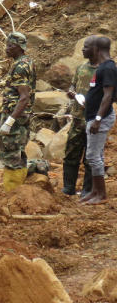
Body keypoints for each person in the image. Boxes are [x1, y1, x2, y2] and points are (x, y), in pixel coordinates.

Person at [0, 32, 35, 191]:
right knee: (18, 153)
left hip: (15, 115)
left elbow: (24, 97)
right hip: (20, 115)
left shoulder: (20, 66)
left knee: (10, 154)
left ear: (19, 47)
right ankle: (19, 189)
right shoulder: (25, 62)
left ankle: (13, 191)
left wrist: (9, 121)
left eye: (10, 46)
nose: (7, 49)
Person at [82, 35, 115, 205]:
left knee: (94, 156)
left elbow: (108, 95)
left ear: (96, 49)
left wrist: (98, 119)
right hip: (94, 116)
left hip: (100, 118)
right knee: (93, 155)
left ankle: (101, 194)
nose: (85, 50)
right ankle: (94, 191)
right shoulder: (102, 67)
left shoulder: (108, 68)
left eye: (88, 47)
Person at [63, 42, 97, 196]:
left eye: (86, 47)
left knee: (90, 158)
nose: (82, 50)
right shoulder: (81, 68)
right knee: (71, 153)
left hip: (94, 122)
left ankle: (88, 190)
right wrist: (71, 93)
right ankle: (68, 187)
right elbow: (73, 86)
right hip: (77, 120)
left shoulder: (105, 71)